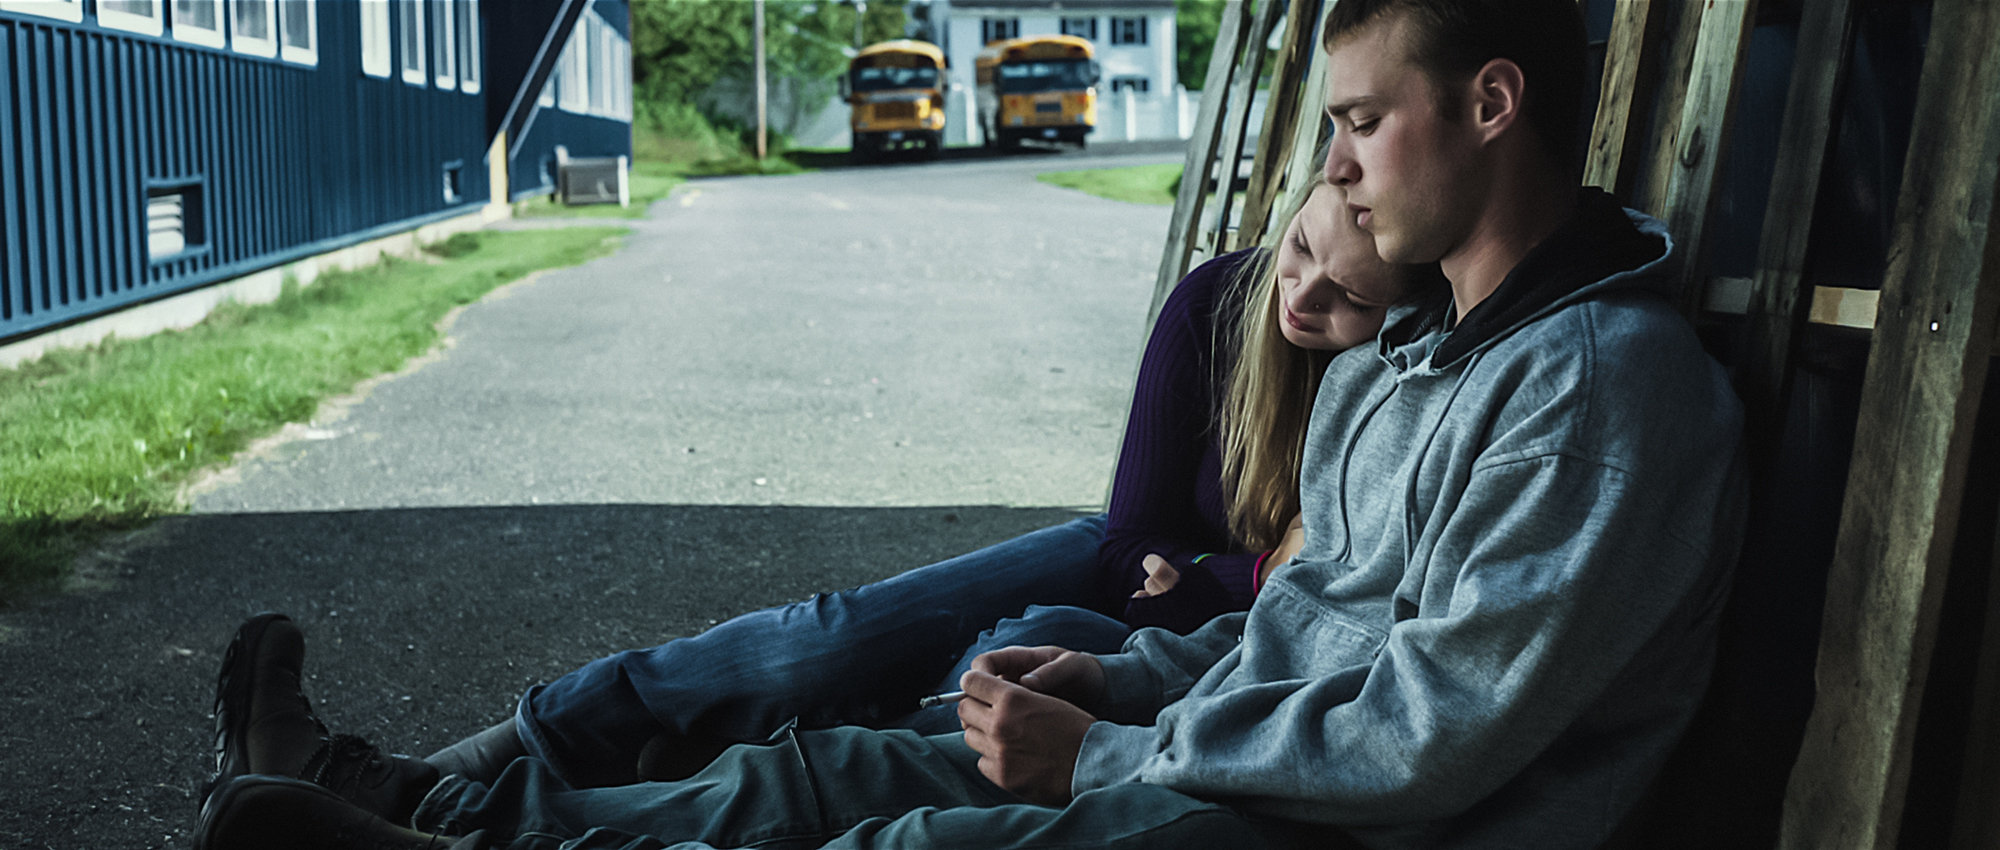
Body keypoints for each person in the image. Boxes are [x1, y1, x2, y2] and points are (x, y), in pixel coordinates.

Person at [192, 0, 1748, 845]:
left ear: (1490, 103)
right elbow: (1300, 633)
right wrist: (1121, 667)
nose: (1330, 172)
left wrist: (1111, 746)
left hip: (1357, 831)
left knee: (920, 843)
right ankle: (426, 805)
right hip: (1252, 763)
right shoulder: (1418, 351)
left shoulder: (1601, 390)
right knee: (846, 765)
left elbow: (1426, 740)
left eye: (1358, 124)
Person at [195, 160, 1431, 821]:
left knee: (982, 676)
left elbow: (1279, 602)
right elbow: (1131, 528)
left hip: (1181, 640)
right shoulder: (1222, 296)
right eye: (1305, 251)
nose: (1305, 300)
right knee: (826, 637)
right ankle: (457, 764)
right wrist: (1188, 568)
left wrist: (1202, 579)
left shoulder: (1397, 394)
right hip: (1131, 580)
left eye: (1350, 300)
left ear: (1403, 314)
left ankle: (426, 809)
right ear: (1303, 197)